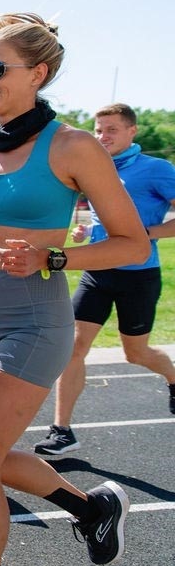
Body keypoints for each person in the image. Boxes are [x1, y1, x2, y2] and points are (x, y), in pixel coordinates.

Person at [0, 14, 149, 566]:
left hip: (37, 319)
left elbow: (132, 243)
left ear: (38, 73)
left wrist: (51, 257)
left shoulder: (74, 146)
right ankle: (90, 509)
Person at [33, 103, 175, 456]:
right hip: (97, 272)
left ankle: (174, 378)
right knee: (74, 347)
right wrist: (87, 230)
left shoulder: (155, 169)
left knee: (135, 353)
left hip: (138, 275)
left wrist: (146, 231)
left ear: (132, 132)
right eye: (98, 129)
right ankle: (62, 430)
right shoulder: (93, 166)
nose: (102, 136)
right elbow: (102, 218)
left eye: (111, 129)